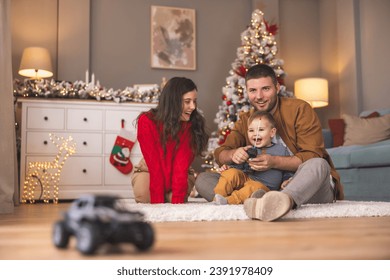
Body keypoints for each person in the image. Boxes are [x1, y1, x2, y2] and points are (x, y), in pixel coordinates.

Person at [195, 64, 344, 221]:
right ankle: (263, 201)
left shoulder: (300, 109)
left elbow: (312, 155)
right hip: (261, 188)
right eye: (253, 90)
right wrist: (233, 154)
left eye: (265, 89)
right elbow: (221, 153)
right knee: (203, 180)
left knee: (319, 164)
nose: (259, 96)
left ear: (277, 87)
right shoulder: (247, 119)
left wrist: (274, 162)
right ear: (247, 91)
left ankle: (279, 201)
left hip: (305, 186)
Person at [133, 77, 209, 204]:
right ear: (173, 102)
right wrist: (157, 203)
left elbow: (181, 166)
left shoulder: (191, 125)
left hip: (181, 172)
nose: (193, 107)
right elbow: (154, 164)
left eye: (194, 101)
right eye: (187, 101)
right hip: (149, 169)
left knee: (175, 198)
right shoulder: (146, 121)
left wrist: (176, 202)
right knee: (146, 197)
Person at [213, 111, 293, 205]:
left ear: (272, 132)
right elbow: (240, 168)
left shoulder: (281, 150)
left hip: (264, 187)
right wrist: (230, 167)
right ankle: (218, 196)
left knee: (252, 188)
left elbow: (288, 169)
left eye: (261, 130)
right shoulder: (249, 149)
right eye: (251, 130)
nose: (255, 134)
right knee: (230, 173)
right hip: (247, 179)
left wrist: (286, 180)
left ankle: (228, 201)